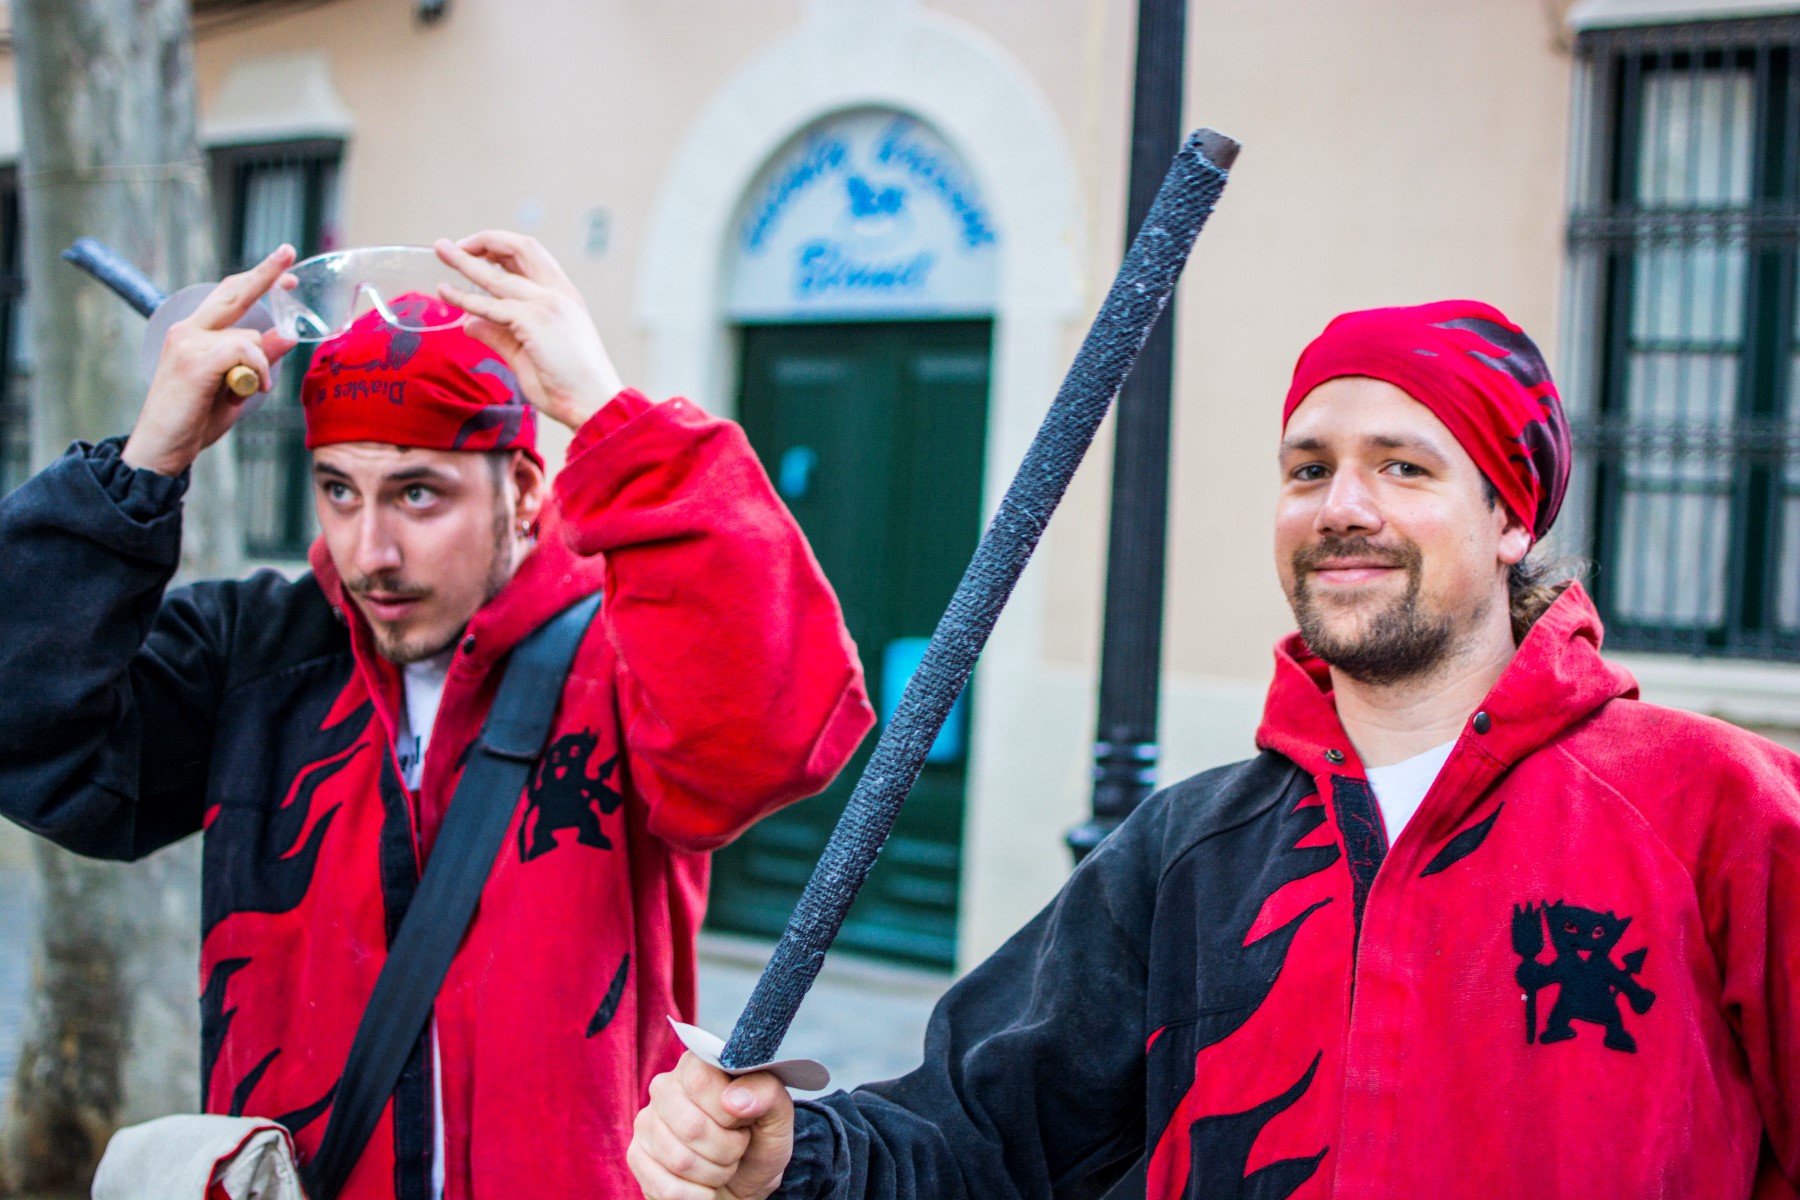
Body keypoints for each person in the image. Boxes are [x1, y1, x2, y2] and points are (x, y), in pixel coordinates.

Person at [629, 300, 1800, 1199]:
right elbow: (981, 1139)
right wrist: (791, 1156)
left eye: (1403, 467)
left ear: (1511, 517)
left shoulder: (1718, 811)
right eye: (1309, 469)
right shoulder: (1192, 851)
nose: (1342, 506)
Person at [0, 231, 875, 1200]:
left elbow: (772, 739)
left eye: (418, 494)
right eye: (339, 490)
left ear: (525, 489)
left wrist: (608, 416)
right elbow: (36, 739)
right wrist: (144, 467)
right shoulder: (252, 654)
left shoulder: (628, 652)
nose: (369, 550)